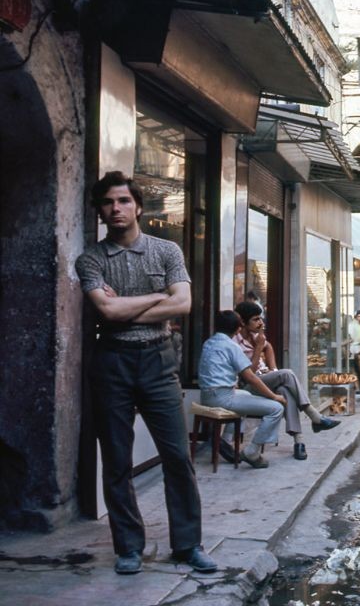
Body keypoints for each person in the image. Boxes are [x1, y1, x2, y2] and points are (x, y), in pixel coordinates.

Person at [75, 171, 216, 575]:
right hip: (111, 362)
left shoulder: (167, 251)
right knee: (116, 459)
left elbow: (183, 304)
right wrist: (159, 296)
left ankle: (188, 544)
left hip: (158, 359)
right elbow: (106, 311)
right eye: (107, 203)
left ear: (138, 206)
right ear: (99, 210)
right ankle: (128, 548)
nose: (115, 209)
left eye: (123, 201)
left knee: (176, 455)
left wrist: (132, 305)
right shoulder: (91, 259)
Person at [233, 302, 340, 460]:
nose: (261, 323)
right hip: (249, 385)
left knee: (285, 391)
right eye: (256, 319)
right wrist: (258, 347)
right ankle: (314, 416)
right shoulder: (236, 341)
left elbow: (268, 348)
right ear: (243, 322)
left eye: (261, 318)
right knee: (288, 374)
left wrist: (273, 370)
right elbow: (249, 373)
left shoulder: (256, 336)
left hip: (264, 379)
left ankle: (299, 442)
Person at [198, 310, 286, 468]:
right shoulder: (232, 346)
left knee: (245, 394)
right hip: (223, 397)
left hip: (206, 396)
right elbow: (250, 377)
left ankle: (224, 441)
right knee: (276, 409)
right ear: (238, 329)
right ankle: (252, 451)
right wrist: (274, 396)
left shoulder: (208, 343)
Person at [348, 309, 360, 399]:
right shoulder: (351, 326)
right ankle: (357, 388)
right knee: (355, 372)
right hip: (353, 350)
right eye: (358, 316)